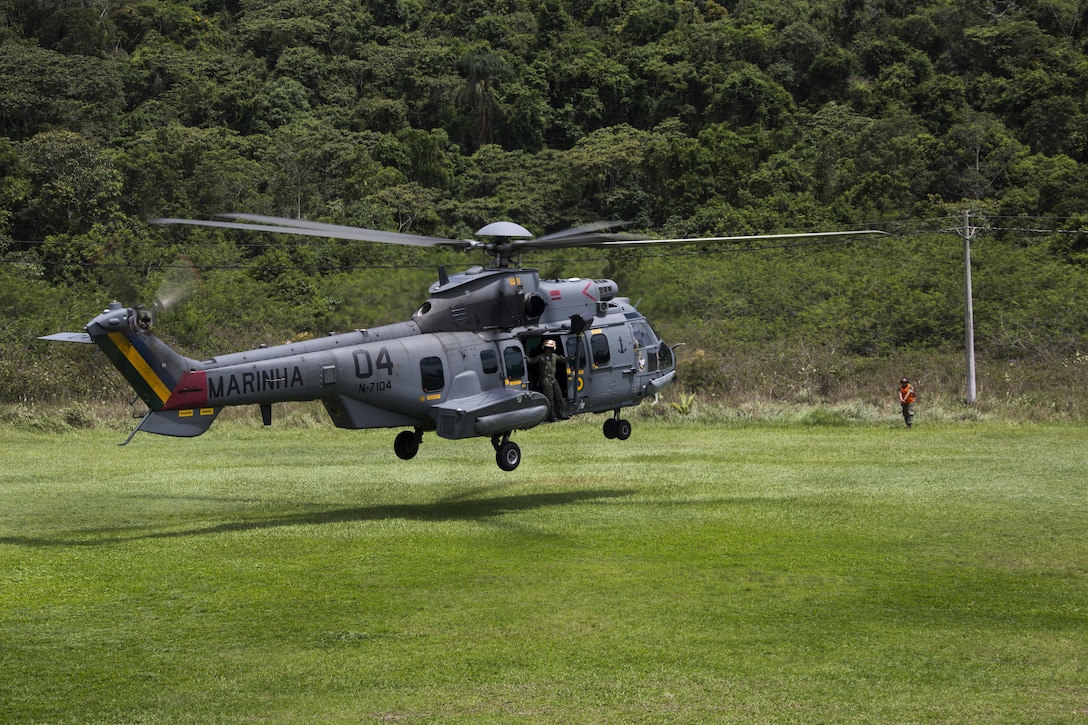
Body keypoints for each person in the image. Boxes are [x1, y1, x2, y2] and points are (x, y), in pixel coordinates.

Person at [528, 339, 566, 421]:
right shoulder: (541, 357)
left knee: (559, 397)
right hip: (545, 379)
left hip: (553, 378)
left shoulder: (554, 356)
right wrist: (525, 358)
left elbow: (562, 359)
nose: (548, 350)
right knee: (550, 399)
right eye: (547, 348)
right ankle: (551, 416)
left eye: (550, 349)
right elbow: (532, 361)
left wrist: (572, 357)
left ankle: (561, 414)